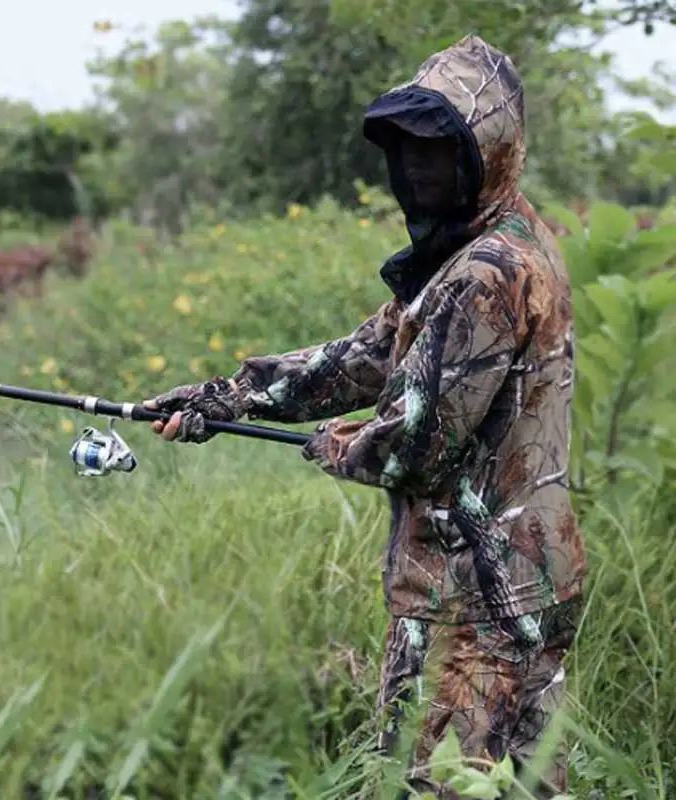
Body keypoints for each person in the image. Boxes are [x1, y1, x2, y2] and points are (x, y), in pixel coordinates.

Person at [143, 33, 587, 799]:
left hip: (469, 600)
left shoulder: (484, 274)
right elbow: (371, 354)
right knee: (532, 784)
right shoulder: (501, 242)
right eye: (405, 151)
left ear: (488, 150)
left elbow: (416, 445)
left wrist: (337, 445)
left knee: (440, 782)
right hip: (532, 577)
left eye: (437, 151)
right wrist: (230, 394)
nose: (416, 169)